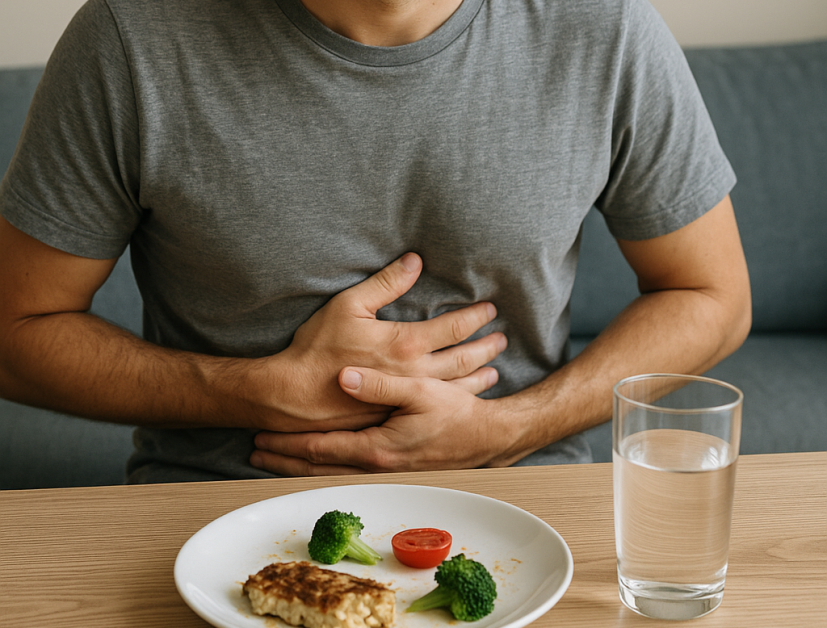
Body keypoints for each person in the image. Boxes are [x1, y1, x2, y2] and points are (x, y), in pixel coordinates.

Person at [0, 0, 751, 482]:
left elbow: (710, 295)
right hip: (216, 510)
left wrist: (508, 429)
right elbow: (15, 330)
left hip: (522, 498)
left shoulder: (605, 28)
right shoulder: (131, 36)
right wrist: (252, 392)